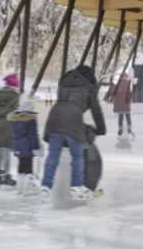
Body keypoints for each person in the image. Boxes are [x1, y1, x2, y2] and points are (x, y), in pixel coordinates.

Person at [41, 65, 106, 201]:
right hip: (73, 120)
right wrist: (101, 129)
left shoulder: (65, 82)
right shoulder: (88, 87)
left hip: (55, 116)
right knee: (77, 156)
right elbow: (96, 111)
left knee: (52, 156)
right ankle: (76, 187)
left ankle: (45, 187)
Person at [0, 73, 20, 190]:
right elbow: (15, 113)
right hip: (8, 124)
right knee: (6, 150)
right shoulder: (15, 96)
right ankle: (6, 176)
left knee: (0, 150)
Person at [9, 95, 41, 195]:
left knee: (21, 165)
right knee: (28, 165)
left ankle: (20, 187)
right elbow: (33, 134)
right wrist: (36, 147)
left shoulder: (14, 118)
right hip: (27, 145)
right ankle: (28, 188)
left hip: (17, 145)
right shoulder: (31, 118)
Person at [107, 72, 134, 138]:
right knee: (128, 116)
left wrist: (110, 89)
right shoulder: (128, 85)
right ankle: (129, 128)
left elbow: (112, 93)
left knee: (121, 117)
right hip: (126, 104)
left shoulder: (117, 85)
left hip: (119, 105)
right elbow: (130, 95)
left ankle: (120, 129)